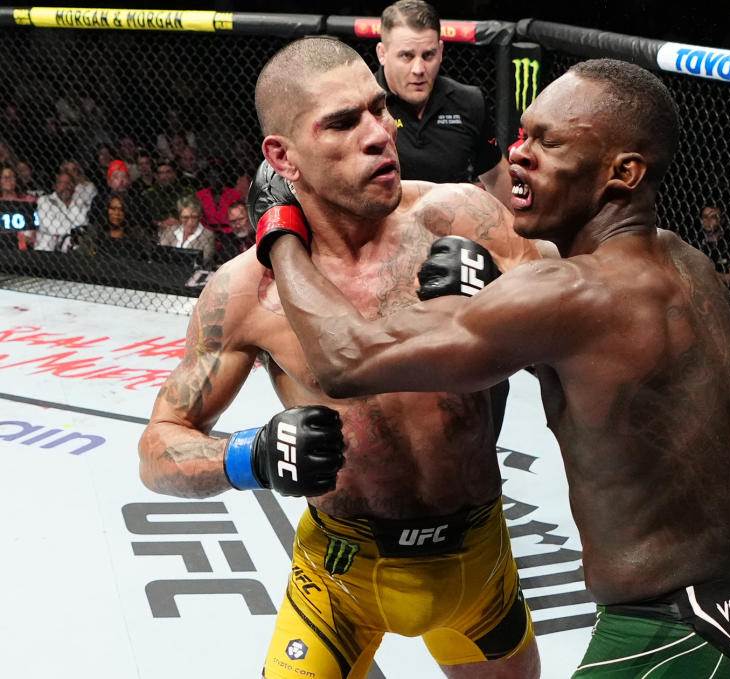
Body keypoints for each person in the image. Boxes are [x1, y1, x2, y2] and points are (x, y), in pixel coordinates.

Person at [264, 57, 730, 677]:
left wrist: (279, 228)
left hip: (664, 646)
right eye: (522, 135)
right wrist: (493, 293)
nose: (519, 155)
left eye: (549, 142)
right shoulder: (689, 264)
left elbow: (346, 360)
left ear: (622, 173)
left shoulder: (567, 294)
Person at [139, 37, 542, 679]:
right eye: (343, 122)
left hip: (478, 558)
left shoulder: (454, 214)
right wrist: (248, 455)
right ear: (283, 156)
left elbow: (578, 286)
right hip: (339, 578)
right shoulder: (247, 290)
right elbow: (158, 449)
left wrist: (507, 289)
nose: (380, 134)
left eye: (378, 110)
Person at [375, 0, 513, 208]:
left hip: (452, 231)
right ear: (382, 54)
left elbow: (494, 174)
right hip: (381, 231)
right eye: (407, 56)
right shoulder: (362, 105)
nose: (419, 69)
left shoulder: (468, 102)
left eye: (428, 55)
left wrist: (521, 235)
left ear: (440, 51)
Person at [35, 170, 90, 252]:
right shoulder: (44, 201)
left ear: (74, 186)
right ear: (56, 186)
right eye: (61, 183)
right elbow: (52, 228)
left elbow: (83, 225)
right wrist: (75, 232)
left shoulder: (80, 203)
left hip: (73, 253)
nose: (65, 186)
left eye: (68, 183)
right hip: (46, 251)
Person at [158, 194, 216, 266]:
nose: (190, 222)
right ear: (180, 217)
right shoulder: (171, 230)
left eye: (194, 217)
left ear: (200, 216)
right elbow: (161, 254)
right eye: (185, 218)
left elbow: (203, 259)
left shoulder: (208, 235)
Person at [215, 200, 254, 265]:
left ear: (249, 217)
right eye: (233, 221)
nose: (238, 225)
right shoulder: (226, 240)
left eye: (241, 219)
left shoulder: (259, 237)